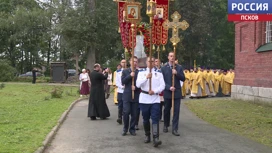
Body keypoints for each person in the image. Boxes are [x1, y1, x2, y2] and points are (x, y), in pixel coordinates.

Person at [136, 57, 165, 147]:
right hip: (144, 99)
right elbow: (138, 84)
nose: (151, 62)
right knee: (145, 119)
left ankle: (156, 138)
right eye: (149, 61)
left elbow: (163, 85)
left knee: (155, 118)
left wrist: (155, 91)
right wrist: (146, 78)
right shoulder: (141, 72)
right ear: (146, 62)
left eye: (153, 61)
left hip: (155, 98)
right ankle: (147, 135)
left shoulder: (159, 73)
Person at [161, 52, 185, 136]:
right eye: (171, 56)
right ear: (168, 57)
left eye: (173, 56)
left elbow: (183, 78)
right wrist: (168, 87)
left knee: (176, 111)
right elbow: (162, 81)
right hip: (168, 92)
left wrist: (176, 73)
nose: (172, 58)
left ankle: (175, 128)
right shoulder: (163, 68)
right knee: (167, 109)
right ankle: (166, 125)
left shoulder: (179, 67)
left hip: (177, 92)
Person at [121, 56, 141, 136]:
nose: (134, 63)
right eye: (133, 61)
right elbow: (123, 81)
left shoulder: (139, 73)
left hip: (135, 95)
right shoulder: (125, 71)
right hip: (127, 95)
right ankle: (125, 128)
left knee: (134, 113)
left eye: (136, 61)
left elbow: (141, 85)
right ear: (130, 62)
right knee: (126, 112)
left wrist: (135, 87)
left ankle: (132, 129)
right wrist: (130, 76)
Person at [116, 60, 126, 124]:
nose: (124, 63)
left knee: (126, 105)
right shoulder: (118, 72)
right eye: (122, 62)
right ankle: (120, 117)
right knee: (120, 105)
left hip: (127, 91)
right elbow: (117, 82)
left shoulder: (129, 71)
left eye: (125, 62)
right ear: (120, 63)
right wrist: (122, 86)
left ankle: (125, 118)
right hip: (120, 90)